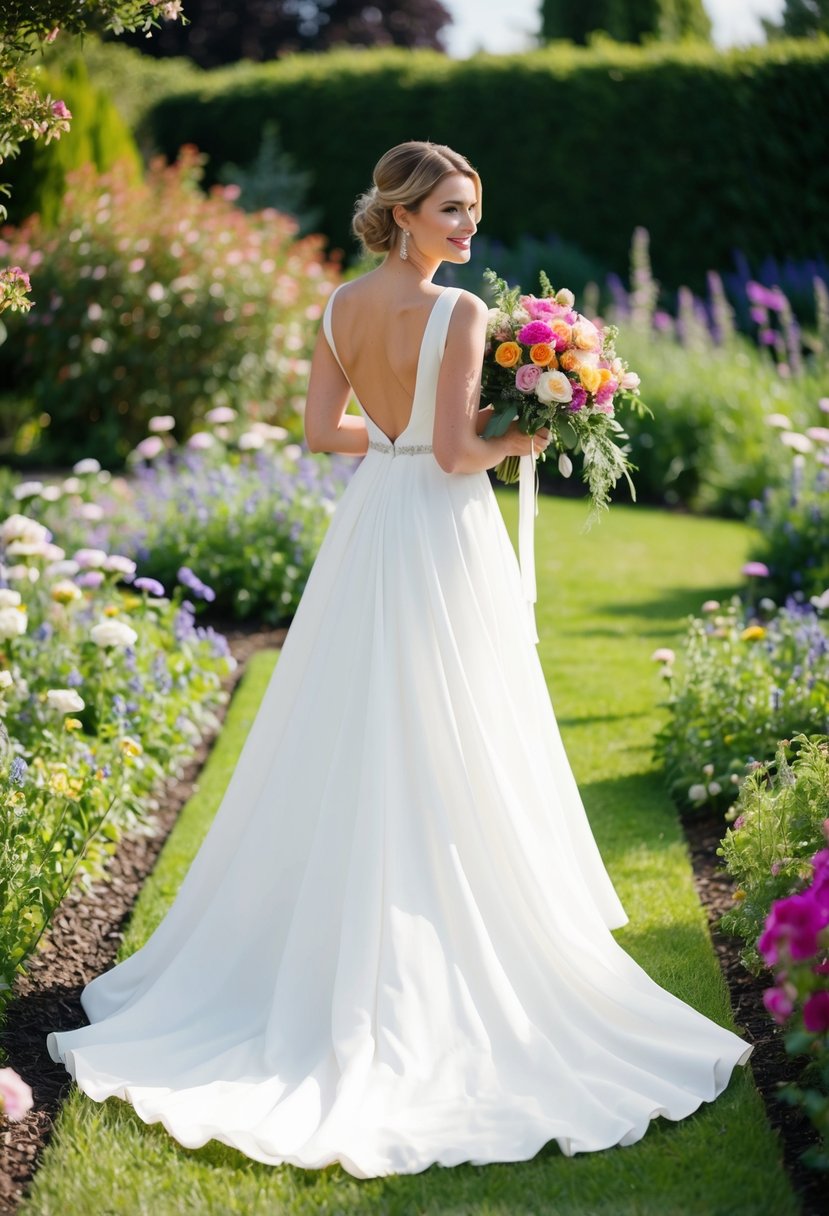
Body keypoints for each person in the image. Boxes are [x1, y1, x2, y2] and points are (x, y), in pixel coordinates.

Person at [47, 141, 751, 1179]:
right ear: (406, 213)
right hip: (439, 525)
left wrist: (399, 441)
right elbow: (465, 452)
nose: (468, 228)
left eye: (473, 210)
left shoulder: (338, 305)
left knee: (361, 713)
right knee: (454, 717)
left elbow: (320, 429)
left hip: (373, 516)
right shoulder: (462, 316)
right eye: (452, 212)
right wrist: (535, 433)